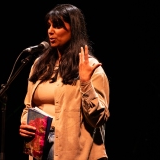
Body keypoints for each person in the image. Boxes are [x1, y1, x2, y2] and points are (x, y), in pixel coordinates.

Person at [19, 4, 110, 160]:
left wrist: (86, 82)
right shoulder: (40, 64)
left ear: (73, 29)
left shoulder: (90, 67)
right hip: (39, 146)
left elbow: (98, 119)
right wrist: (25, 124)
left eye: (58, 26)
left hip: (72, 149)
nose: (50, 31)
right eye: (49, 25)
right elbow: (29, 105)